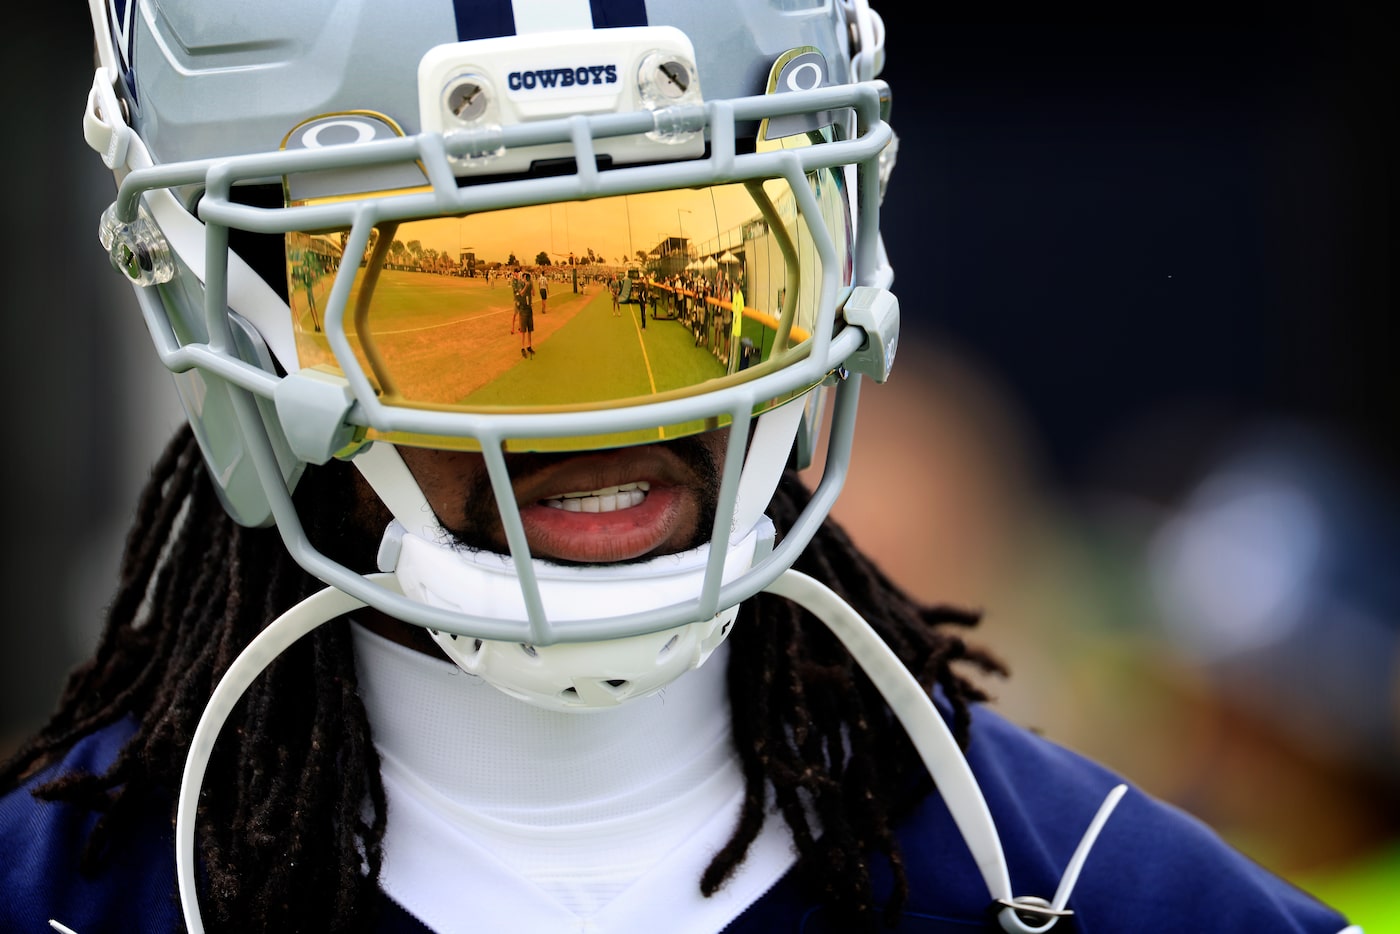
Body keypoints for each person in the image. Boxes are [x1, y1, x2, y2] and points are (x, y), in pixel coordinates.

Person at [0, 2, 1357, 933]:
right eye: (468, 294)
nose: (599, 413)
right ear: (227, 309)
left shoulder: (1126, 897)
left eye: (685, 275)